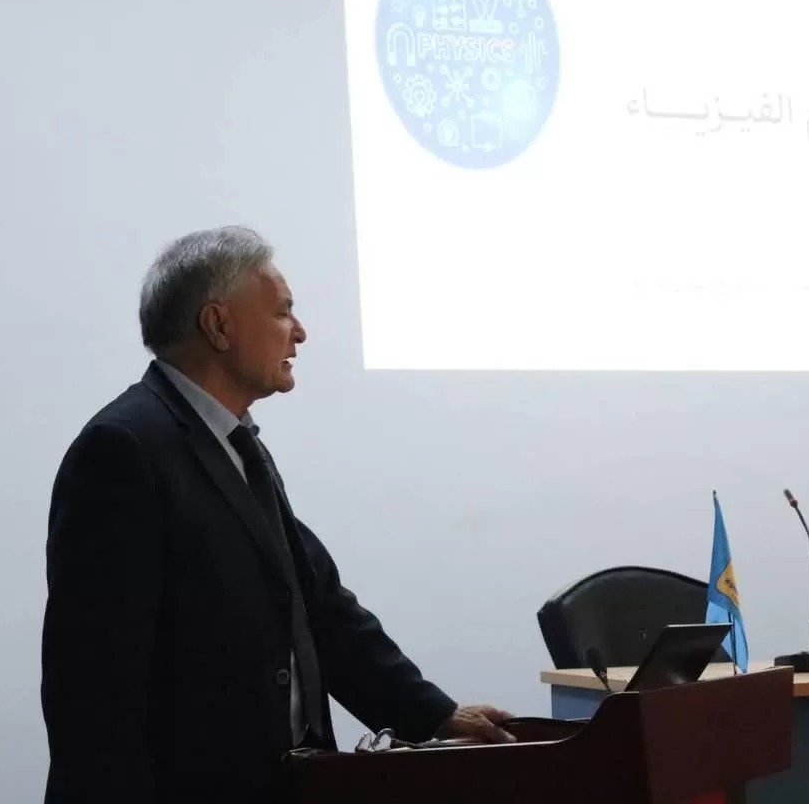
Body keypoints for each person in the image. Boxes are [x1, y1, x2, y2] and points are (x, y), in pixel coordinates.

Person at [41, 226, 512, 804]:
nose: (301, 331)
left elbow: (319, 606)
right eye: (283, 311)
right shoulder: (123, 448)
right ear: (218, 325)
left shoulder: (238, 446)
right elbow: (92, 684)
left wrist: (434, 716)